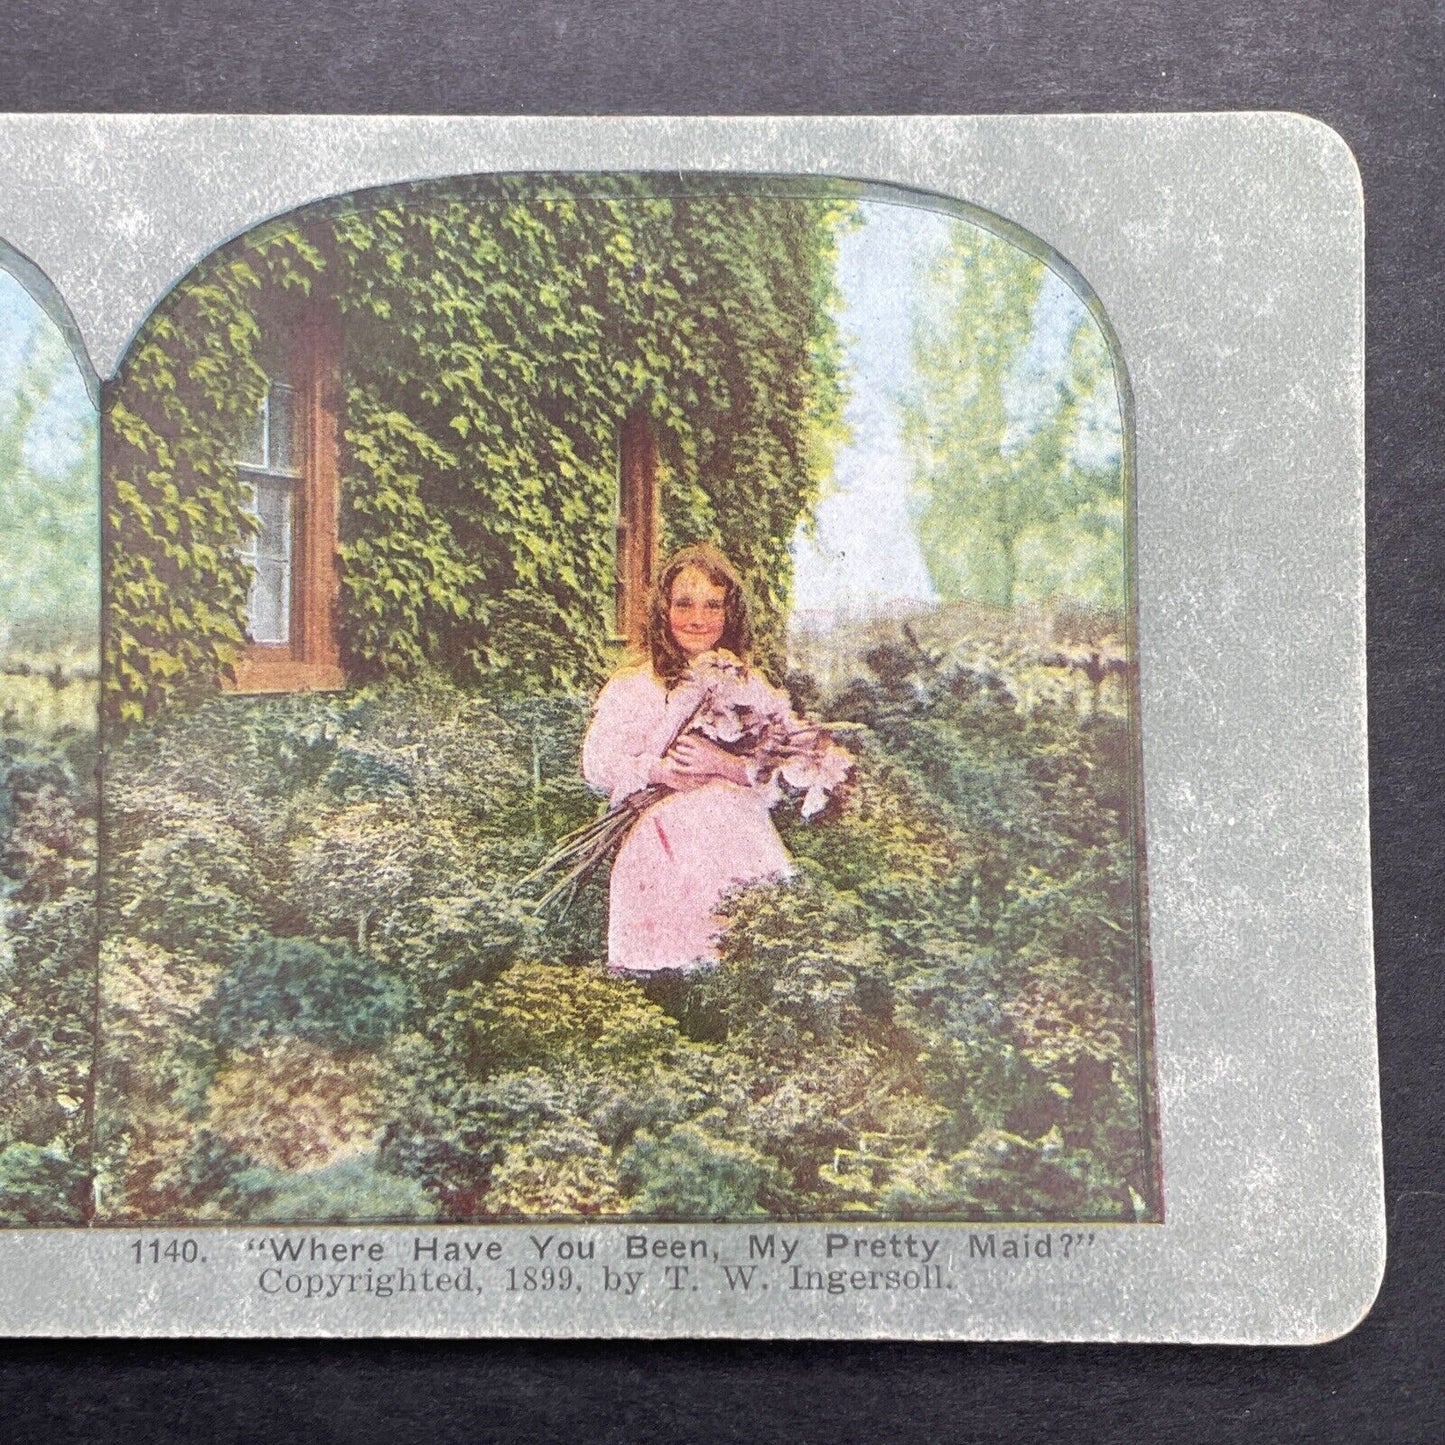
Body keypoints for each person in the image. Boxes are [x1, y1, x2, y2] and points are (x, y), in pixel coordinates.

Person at [581, 543, 795, 976]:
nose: (698, 620)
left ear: (729, 614)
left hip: (735, 829)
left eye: (713, 606)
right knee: (673, 957)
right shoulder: (636, 685)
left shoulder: (748, 684)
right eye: (684, 604)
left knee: (744, 945)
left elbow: (778, 767)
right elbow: (598, 763)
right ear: (663, 609)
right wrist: (660, 771)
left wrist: (721, 764)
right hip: (659, 829)